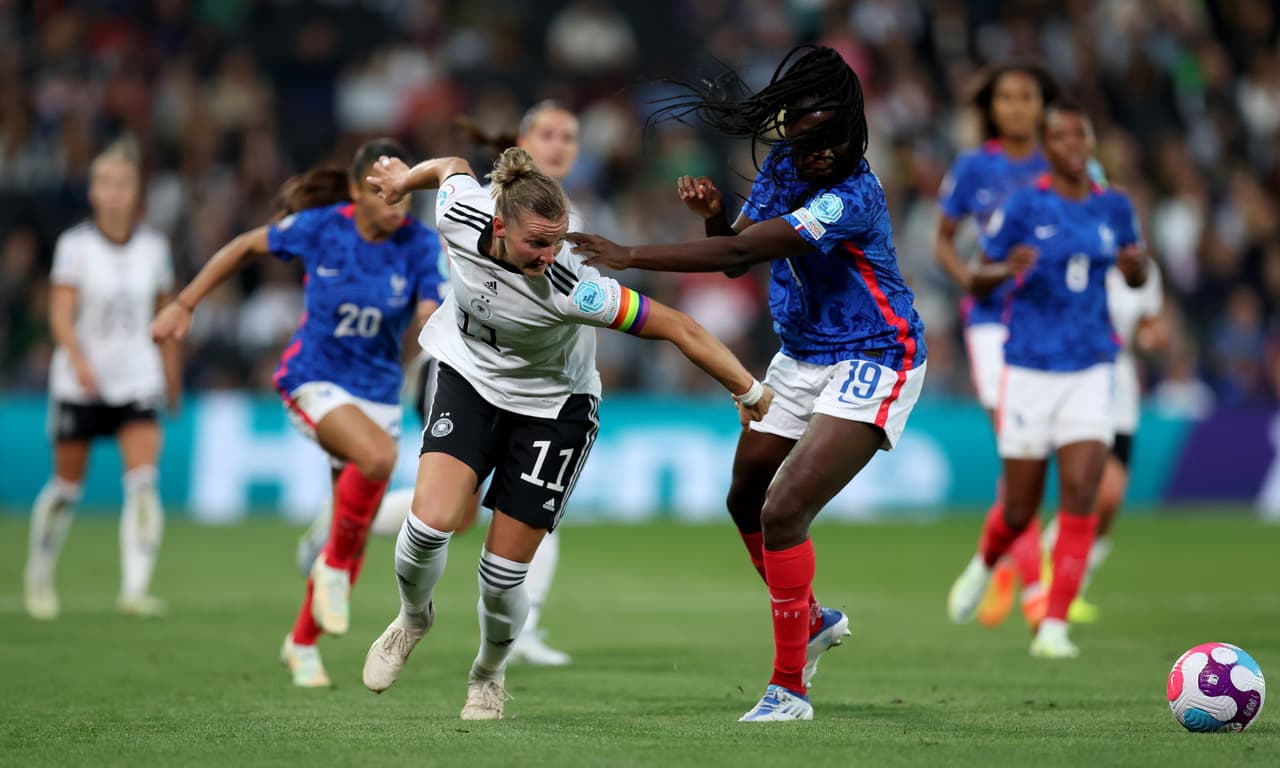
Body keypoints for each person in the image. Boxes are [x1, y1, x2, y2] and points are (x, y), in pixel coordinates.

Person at [568, 45, 927, 722]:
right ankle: (812, 619)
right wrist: (711, 217)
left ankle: (790, 689)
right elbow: (734, 250)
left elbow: (740, 253)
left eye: (829, 139)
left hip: (875, 356)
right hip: (801, 357)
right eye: (803, 136)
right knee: (746, 498)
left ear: (854, 134)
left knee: (784, 509)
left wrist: (629, 254)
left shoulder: (853, 196)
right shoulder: (788, 168)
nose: (815, 152)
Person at [357, 146, 772, 721]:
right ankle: (411, 618)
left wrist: (749, 390)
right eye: (537, 242)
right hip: (469, 379)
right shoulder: (459, 214)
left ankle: (488, 674)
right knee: (428, 525)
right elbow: (450, 165)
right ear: (499, 225)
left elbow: (679, 326)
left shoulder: (575, 285)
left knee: (502, 576)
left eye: (558, 240)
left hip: (553, 407)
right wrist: (405, 180)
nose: (549, 253)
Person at [151, 139, 446, 687]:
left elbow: (431, 309)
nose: (397, 203)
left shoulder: (420, 245)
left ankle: (302, 643)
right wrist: (184, 303)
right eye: (384, 192)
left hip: (378, 393)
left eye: (405, 192)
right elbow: (242, 247)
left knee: (350, 523)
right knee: (378, 461)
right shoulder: (322, 227)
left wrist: (432, 319)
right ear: (358, 191)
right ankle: (328, 561)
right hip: (313, 380)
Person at [296, 101, 582, 666]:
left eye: (570, 137)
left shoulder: (562, 216)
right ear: (523, 138)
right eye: (547, 134)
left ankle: (522, 626)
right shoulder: (493, 206)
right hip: (463, 368)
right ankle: (334, 530)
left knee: (505, 511)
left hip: (528, 382)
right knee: (456, 510)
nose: (560, 145)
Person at [945, 101, 1148, 659]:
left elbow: (1137, 270)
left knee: (1082, 488)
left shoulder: (1114, 207)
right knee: (1019, 506)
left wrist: (1137, 271)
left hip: (1091, 364)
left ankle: (1054, 623)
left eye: (1080, 133)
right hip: (1030, 367)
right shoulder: (1024, 205)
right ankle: (985, 564)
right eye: (1060, 137)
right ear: (1047, 148)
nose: (1073, 144)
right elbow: (980, 279)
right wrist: (1004, 270)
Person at [24, 136, 181, 621]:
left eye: (121, 183)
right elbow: (60, 313)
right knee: (67, 488)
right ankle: (39, 576)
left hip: (137, 376)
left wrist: (170, 376)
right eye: (103, 182)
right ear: (92, 191)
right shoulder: (75, 247)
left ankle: (134, 590)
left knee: (143, 482)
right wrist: (78, 359)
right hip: (81, 381)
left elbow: (166, 317)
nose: (112, 191)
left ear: (137, 192)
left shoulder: (155, 249)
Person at [935, 63, 1058, 629]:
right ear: (993, 106)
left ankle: (1003, 559)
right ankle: (1038, 592)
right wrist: (966, 278)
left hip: (1052, 321)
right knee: (1017, 445)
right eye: (1004, 97)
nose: (1015, 107)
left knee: (1036, 451)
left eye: (1025, 96)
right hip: (990, 320)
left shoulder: (1063, 162)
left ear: (1041, 104)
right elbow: (943, 240)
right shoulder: (974, 167)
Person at [1042, 260, 1166, 621]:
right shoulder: (1076, 258)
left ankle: (1066, 573)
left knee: (1112, 500)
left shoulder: (1143, 268)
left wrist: (1151, 337)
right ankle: (1057, 573)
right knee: (1100, 488)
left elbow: (1149, 322)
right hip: (1078, 377)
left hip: (1122, 385)